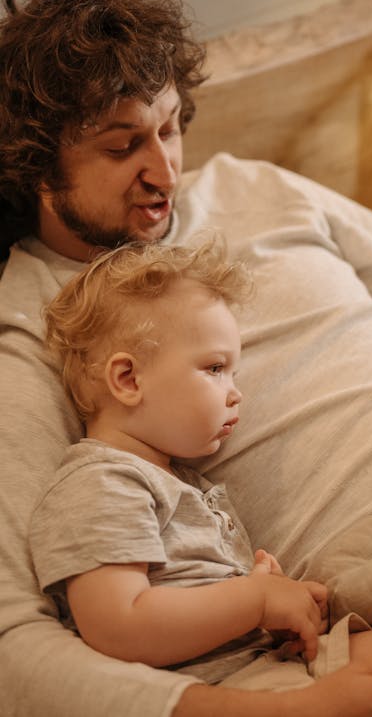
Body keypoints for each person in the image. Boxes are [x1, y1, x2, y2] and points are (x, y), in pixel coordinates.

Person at [0, 0, 372, 716]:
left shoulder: (256, 183)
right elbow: (17, 643)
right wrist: (290, 708)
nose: (166, 170)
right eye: (123, 144)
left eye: (169, 127)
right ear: (39, 163)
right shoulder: (33, 332)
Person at [31, 237, 331, 678]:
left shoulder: (185, 481)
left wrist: (273, 600)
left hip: (261, 666)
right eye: (214, 368)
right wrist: (256, 601)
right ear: (129, 379)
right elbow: (120, 626)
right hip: (225, 690)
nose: (236, 393)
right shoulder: (102, 482)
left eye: (234, 372)